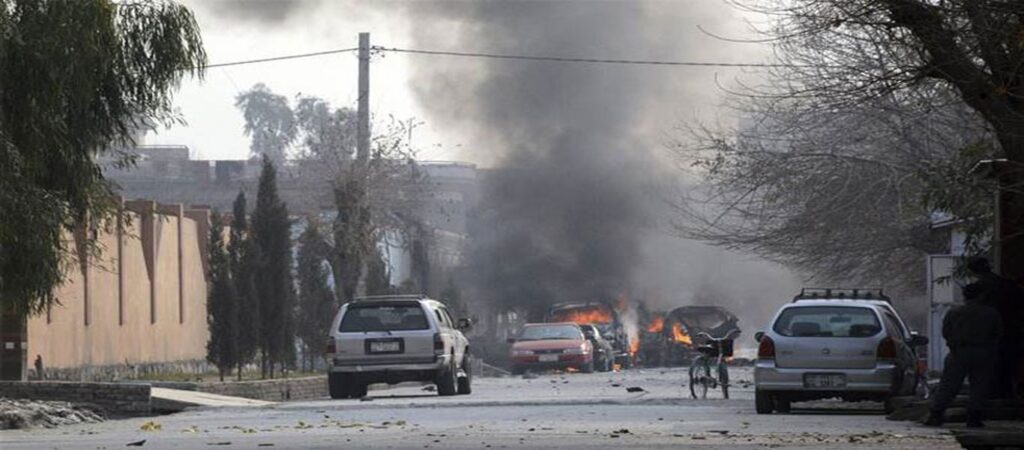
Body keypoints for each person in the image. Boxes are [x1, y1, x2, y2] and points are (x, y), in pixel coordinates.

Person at [925, 284, 1003, 428]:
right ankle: (974, 417)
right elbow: (998, 333)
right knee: (980, 385)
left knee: (949, 384)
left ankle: (936, 414)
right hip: (983, 352)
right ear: (981, 295)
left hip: (958, 351)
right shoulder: (990, 313)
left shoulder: (955, 312)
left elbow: (946, 331)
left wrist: (953, 343)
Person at [966, 257, 1023, 398]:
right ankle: (1007, 391)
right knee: (1008, 363)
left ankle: (994, 392)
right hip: (1011, 329)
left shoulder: (979, 288)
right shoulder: (1007, 284)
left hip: (987, 333)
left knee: (990, 365)